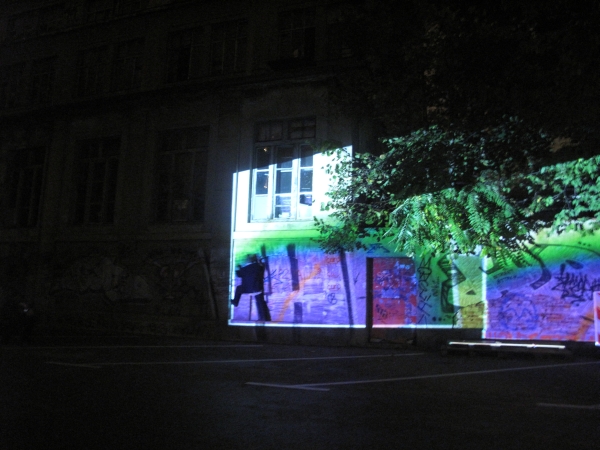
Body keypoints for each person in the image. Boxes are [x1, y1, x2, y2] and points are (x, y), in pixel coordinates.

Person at [231, 254, 271, 321]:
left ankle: (235, 301)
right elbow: (262, 267)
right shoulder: (258, 266)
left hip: (247, 289)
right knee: (260, 303)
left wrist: (238, 268)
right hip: (257, 290)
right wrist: (259, 261)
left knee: (239, 288)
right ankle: (263, 318)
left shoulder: (244, 269)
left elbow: (238, 274)